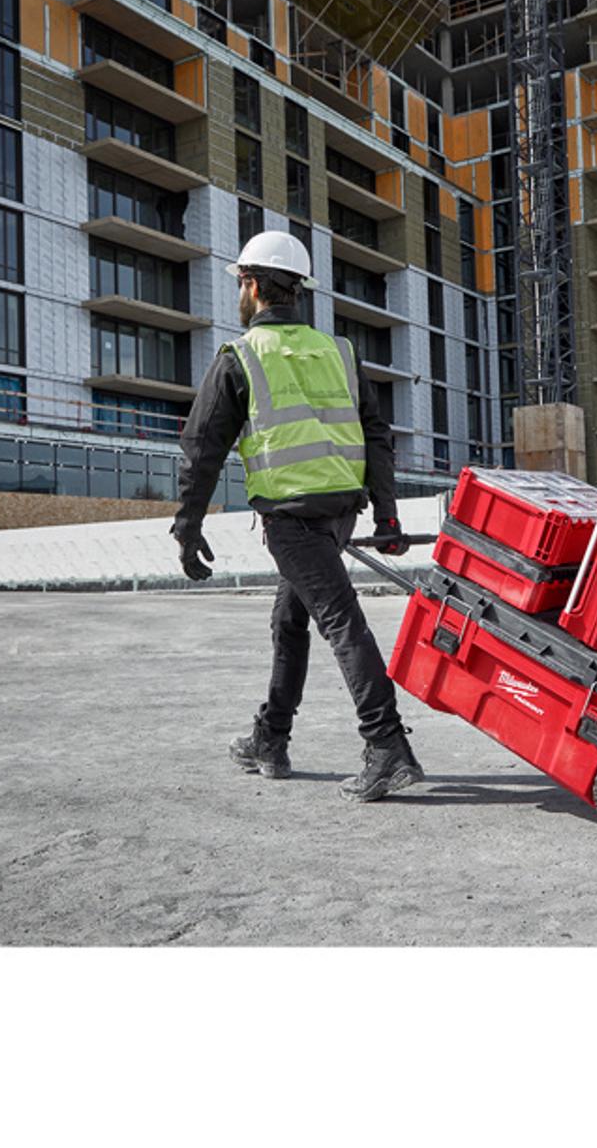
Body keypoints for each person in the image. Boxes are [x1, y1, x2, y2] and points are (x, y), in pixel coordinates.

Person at [170, 230, 424, 802]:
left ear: (253, 286)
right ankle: (271, 738)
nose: (240, 290)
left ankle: (386, 747)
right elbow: (376, 436)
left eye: (241, 282)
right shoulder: (338, 351)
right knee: (290, 620)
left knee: (339, 621)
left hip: (293, 520)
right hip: (340, 515)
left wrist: (187, 530)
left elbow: (201, 448)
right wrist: (385, 516)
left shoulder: (240, 357)